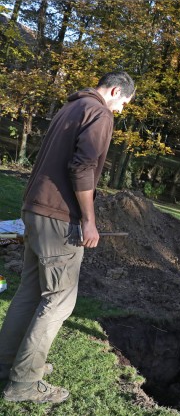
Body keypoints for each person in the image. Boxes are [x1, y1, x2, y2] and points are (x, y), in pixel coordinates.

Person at [0, 72, 135, 404]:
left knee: (31, 291)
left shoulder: (70, 107)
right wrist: (89, 220)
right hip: (59, 216)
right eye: (123, 104)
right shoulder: (99, 112)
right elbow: (82, 167)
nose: (118, 111)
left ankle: (7, 364)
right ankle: (24, 383)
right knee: (59, 300)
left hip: (34, 207)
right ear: (116, 91)